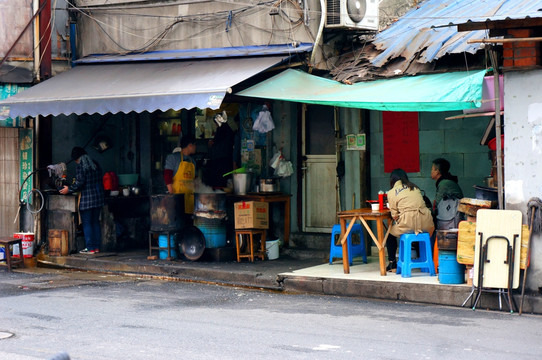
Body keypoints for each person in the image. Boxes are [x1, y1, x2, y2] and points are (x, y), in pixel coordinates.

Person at [386, 168, 434, 271]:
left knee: (389, 234)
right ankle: (423, 259)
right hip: (426, 223)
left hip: (409, 223)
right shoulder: (415, 188)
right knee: (416, 232)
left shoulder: (391, 192)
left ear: (392, 180)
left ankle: (392, 263)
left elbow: (394, 215)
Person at [59, 147, 104, 254]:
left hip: (87, 200)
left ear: (77, 159)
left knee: (87, 223)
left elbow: (79, 183)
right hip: (98, 198)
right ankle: (96, 247)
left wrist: (68, 189)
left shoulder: (81, 167)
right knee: (95, 223)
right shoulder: (95, 164)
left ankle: (90, 248)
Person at [163, 135, 197, 214]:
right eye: (195, 145)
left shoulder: (193, 162)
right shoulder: (173, 158)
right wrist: (172, 195)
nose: (196, 147)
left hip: (190, 200)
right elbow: (167, 176)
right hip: (177, 198)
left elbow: (195, 180)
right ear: (190, 145)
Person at [204, 111, 235, 188]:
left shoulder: (221, 130)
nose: (216, 125)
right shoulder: (228, 130)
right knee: (225, 182)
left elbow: (216, 143)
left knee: (219, 181)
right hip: (227, 160)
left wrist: (212, 143)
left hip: (220, 161)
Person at [431, 158, 464, 229]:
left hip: (452, 219)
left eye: (432, 169)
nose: (431, 172)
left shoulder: (444, 184)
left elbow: (437, 204)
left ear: (437, 171)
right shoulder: (446, 181)